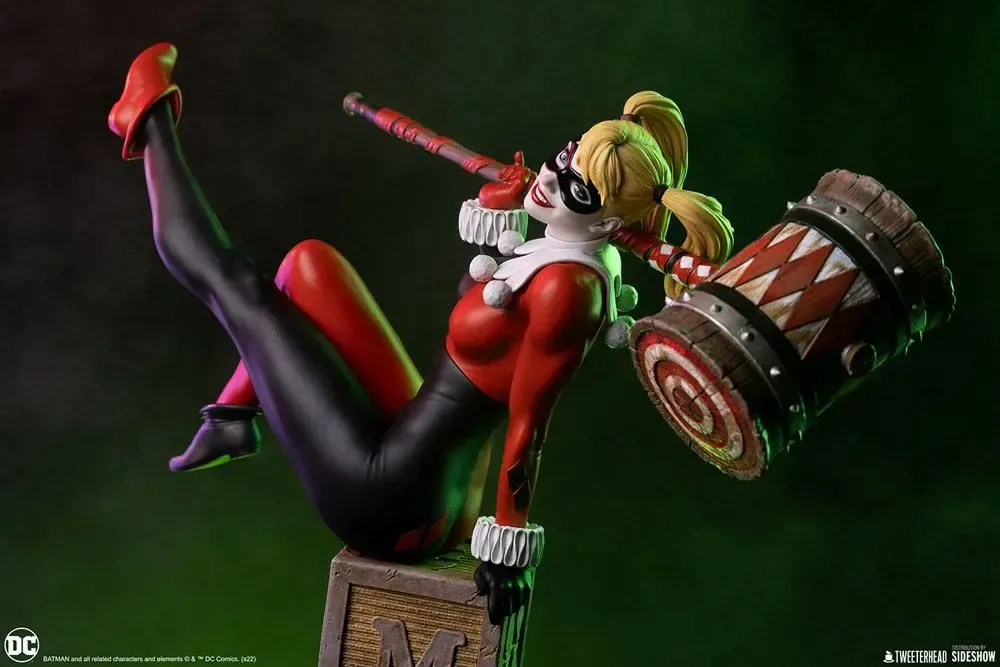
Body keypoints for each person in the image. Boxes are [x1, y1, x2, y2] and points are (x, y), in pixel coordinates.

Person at [107, 42, 733, 623]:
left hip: (391, 499)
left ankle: (148, 116)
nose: (547, 179)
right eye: (563, 157)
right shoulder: (567, 249)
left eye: (573, 188)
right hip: (417, 448)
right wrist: (500, 208)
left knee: (230, 280)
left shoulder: (569, 289)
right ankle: (231, 418)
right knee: (308, 265)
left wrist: (508, 553)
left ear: (609, 222)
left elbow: (529, 425)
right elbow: (481, 310)